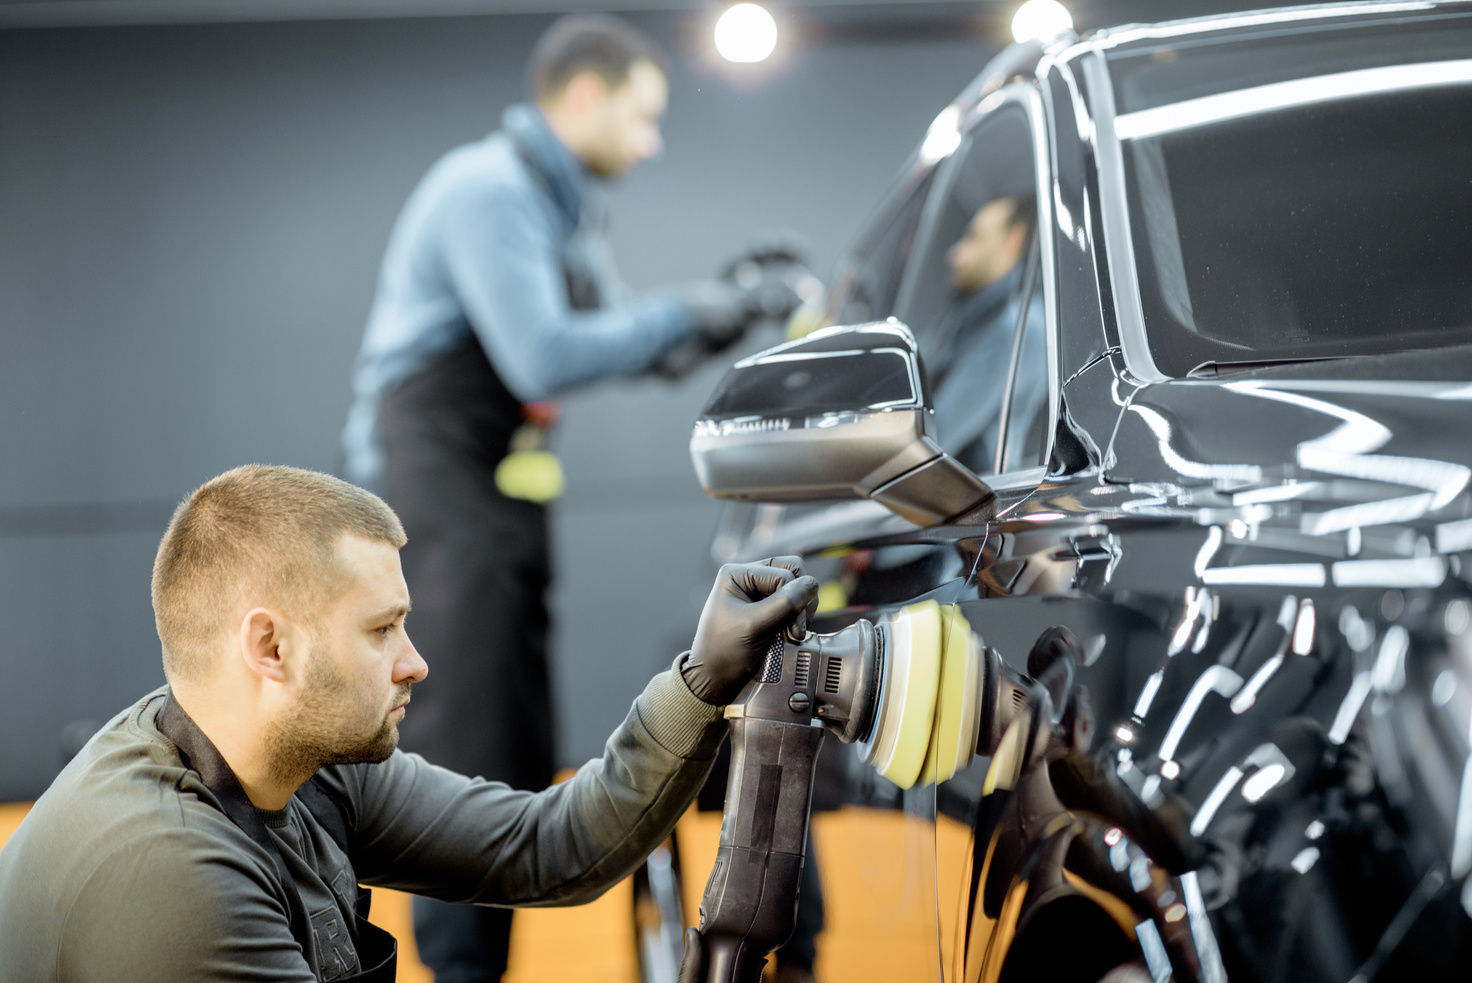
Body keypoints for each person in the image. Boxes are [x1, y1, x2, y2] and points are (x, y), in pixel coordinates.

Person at [339, 15, 795, 978]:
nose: (653, 140)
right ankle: (460, 968)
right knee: (461, 738)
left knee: (506, 738)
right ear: (582, 98)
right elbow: (541, 351)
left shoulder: (564, 209)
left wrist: (730, 306)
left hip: (495, 498)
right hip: (433, 489)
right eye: (642, 117)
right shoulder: (488, 190)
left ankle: (482, 961)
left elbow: (622, 336)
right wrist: (686, 310)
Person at [0, 465, 820, 983]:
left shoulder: (305, 760)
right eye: (380, 629)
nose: (415, 661)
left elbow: (552, 844)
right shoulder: (171, 882)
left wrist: (704, 679)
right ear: (270, 645)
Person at [929, 194, 1047, 475]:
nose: (954, 253)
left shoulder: (1014, 329)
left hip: (972, 512)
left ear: (1013, 241)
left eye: (974, 237)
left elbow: (931, 443)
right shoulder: (972, 318)